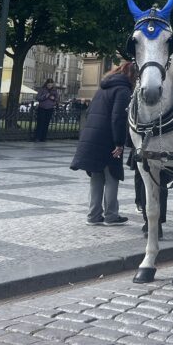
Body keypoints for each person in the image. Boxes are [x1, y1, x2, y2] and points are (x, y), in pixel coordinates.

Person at [70, 61, 136, 224]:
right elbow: (118, 119)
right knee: (112, 176)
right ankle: (111, 215)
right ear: (133, 75)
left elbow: (90, 112)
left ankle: (93, 216)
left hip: (92, 137)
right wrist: (119, 143)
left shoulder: (103, 88)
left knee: (96, 177)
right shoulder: (123, 90)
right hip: (108, 139)